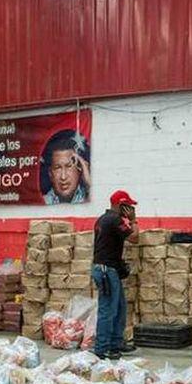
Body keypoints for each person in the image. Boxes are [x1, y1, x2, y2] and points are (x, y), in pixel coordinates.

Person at [92, 190, 139, 359]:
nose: (131, 209)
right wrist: (133, 221)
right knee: (108, 310)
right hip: (106, 270)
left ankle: (116, 343)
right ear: (121, 205)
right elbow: (134, 238)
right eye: (129, 206)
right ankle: (102, 348)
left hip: (109, 269)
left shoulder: (102, 219)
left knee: (119, 308)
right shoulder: (114, 219)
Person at [41, 130, 91, 205]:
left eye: (69, 166)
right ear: (50, 174)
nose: (63, 177)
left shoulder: (89, 197)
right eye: (57, 168)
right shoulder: (42, 201)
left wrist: (89, 184)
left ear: (80, 168)